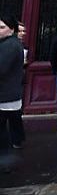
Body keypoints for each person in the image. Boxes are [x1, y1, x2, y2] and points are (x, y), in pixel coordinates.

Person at [0, 15, 26, 159]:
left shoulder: (10, 45)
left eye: (2, 27)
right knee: (13, 120)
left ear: (11, 30)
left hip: (5, 94)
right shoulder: (9, 44)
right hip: (10, 93)